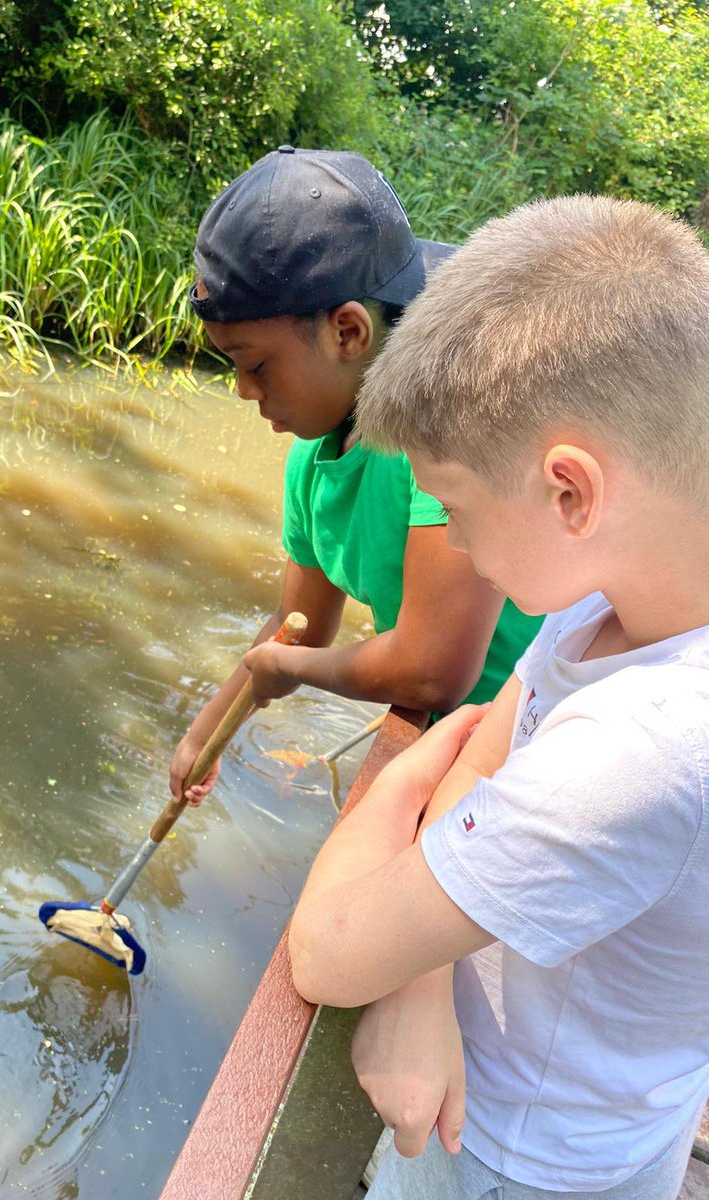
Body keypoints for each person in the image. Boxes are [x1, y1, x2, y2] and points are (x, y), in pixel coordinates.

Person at [287, 193, 709, 1199]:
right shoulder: (621, 596)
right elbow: (484, 748)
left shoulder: (644, 751)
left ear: (571, 493)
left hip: (515, 1153)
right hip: (602, 1104)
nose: (458, 546)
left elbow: (325, 951)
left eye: (458, 508)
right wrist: (426, 969)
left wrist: (399, 790)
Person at [170, 145, 542, 804]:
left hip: (529, 737)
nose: (243, 390)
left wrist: (290, 665)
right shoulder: (312, 459)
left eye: (256, 366)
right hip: (449, 731)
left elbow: (431, 672)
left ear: (348, 332)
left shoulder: (450, 435)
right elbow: (299, 621)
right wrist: (206, 736)